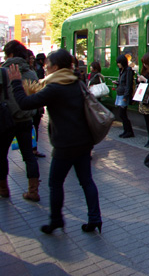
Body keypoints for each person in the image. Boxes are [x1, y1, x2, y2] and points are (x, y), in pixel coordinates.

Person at [7, 49, 101, 234]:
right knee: (87, 182)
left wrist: (16, 83)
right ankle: (95, 219)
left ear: (56, 67)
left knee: (55, 183)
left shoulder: (54, 88)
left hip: (64, 145)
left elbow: (25, 104)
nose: (45, 68)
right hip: (84, 141)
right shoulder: (77, 82)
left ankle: (56, 220)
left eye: (47, 65)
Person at [0, 40, 41, 201]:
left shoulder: (3, 72)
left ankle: (3, 189)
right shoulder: (31, 73)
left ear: (10, 55)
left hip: (6, 121)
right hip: (26, 120)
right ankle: (33, 190)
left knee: (1, 155)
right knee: (29, 156)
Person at [114, 54, 135, 138]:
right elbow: (123, 83)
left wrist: (126, 96)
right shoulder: (122, 70)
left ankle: (129, 131)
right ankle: (126, 131)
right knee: (121, 114)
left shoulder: (128, 70)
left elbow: (128, 85)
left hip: (123, 95)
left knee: (122, 113)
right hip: (120, 93)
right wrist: (117, 83)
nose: (118, 64)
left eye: (119, 63)